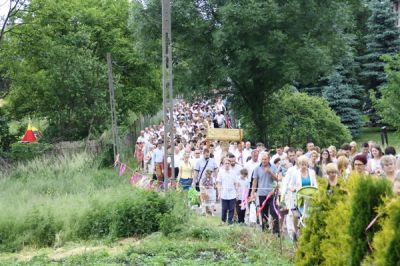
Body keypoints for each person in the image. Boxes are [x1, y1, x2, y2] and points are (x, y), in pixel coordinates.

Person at [251, 152, 280, 234]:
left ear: (269, 159)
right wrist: (252, 192)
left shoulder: (273, 167)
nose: (263, 161)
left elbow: (277, 179)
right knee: (263, 213)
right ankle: (265, 231)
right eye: (262, 159)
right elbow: (254, 181)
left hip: (272, 194)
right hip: (261, 194)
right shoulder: (257, 168)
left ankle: (276, 231)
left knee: (274, 212)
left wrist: (270, 172)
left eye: (265, 159)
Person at [217, 158, 239, 224]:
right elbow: (219, 183)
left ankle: (230, 221)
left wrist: (237, 192)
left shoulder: (233, 173)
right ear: (223, 164)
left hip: (232, 193)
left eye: (228, 163)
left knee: (232, 208)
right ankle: (223, 221)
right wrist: (219, 193)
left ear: (230, 164)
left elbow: (236, 183)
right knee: (224, 208)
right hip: (224, 193)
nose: (227, 165)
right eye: (225, 163)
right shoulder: (220, 172)